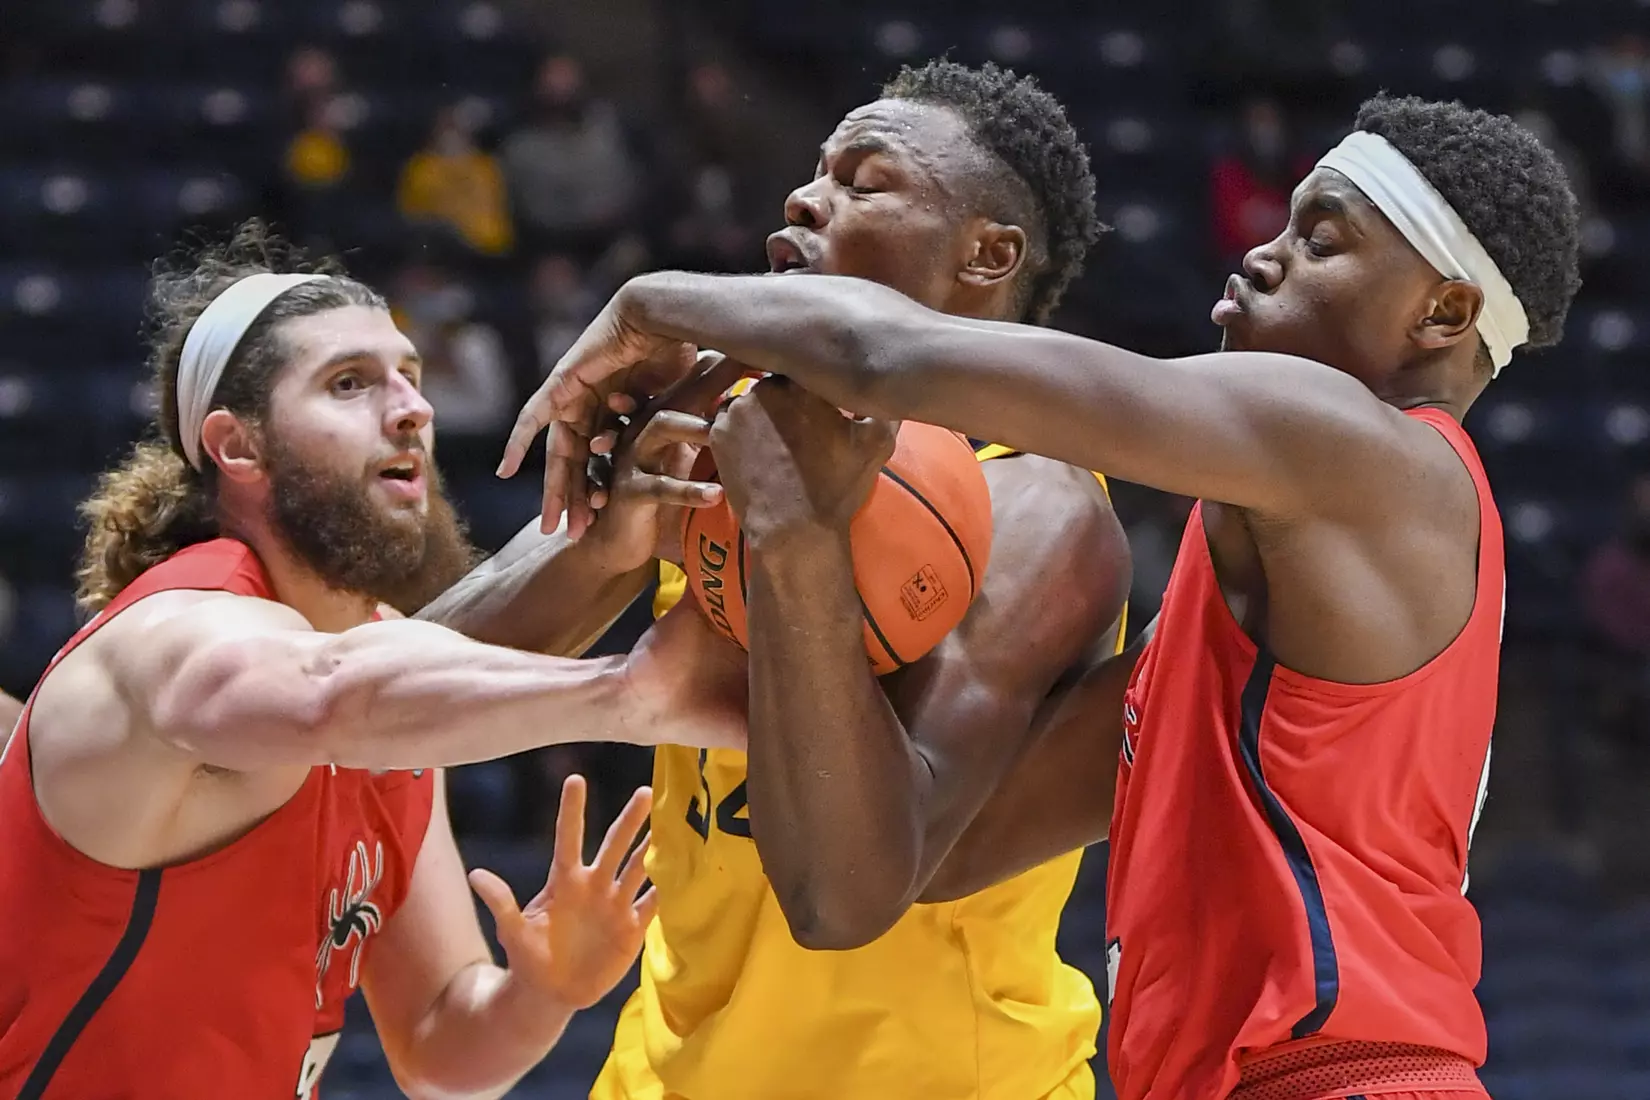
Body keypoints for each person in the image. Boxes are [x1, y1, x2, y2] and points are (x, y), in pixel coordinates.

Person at [507, 94, 1583, 1100]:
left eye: (1321, 239)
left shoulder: (1366, 447)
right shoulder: (1246, 612)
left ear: (1444, 309)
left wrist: (652, 303)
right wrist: (791, 599)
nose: (1262, 252)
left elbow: (882, 352)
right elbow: (917, 861)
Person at [0, 222, 744, 1100]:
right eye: (348, 383)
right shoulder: (171, 633)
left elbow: (439, 1047)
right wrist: (629, 691)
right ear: (238, 446)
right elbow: (328, 692)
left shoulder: (393, 697)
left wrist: (543, 991)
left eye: (409, 375)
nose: (411, 408)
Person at [518, 61, 1130, 1100]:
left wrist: (796, 542)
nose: (806, 199)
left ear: (986, 253)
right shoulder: (728, 412)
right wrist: (606, 543)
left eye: (866, 180)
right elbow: (425, 670)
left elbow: (844, 900)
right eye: (814, 174)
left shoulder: (1038, 508)